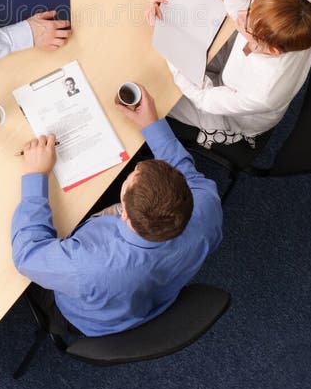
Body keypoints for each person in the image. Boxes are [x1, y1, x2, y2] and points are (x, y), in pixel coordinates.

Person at [11, 85, 222, 339]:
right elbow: (183, 168)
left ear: (123, 212)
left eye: (132, 175)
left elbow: (27, 255)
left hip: (89, 314)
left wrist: (36, 175)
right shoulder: (208, 204)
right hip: (151, 291)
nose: (138, 166)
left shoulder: (89, 265)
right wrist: (151, 123)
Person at [147, 0, 311, 148]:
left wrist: (169, 42)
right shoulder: (300, 1)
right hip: (234, 65)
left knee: (152, 94)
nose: (240, 15)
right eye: (251, 8)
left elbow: (204, 98)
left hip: (230, 115)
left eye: (247, 24)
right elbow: (251, 13)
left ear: (272, 50)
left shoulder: (263, 93)